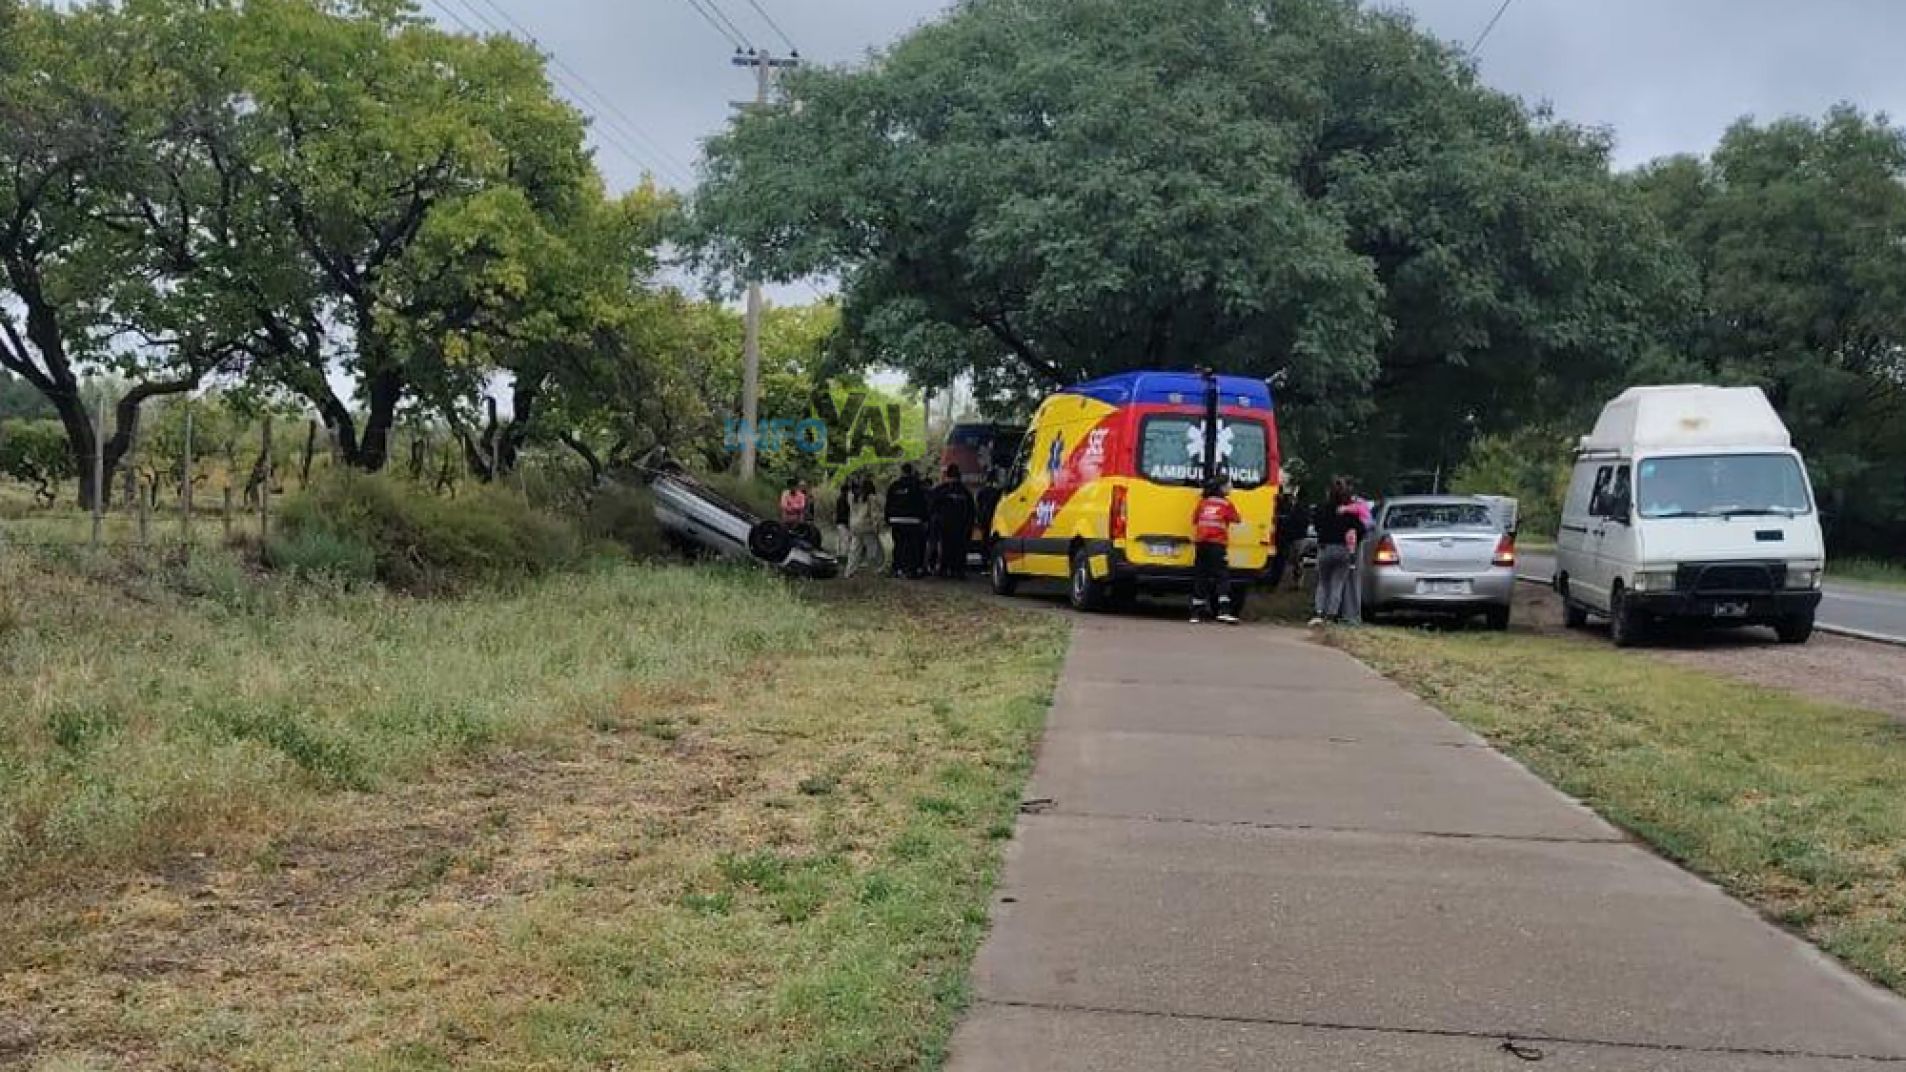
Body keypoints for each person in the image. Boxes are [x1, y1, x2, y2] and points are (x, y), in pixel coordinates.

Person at [1311, 478, 1364, 625]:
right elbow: (1361, 529)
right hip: (1343, 550)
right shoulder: (1349, 511)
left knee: (1322, 582)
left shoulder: (1322, 508)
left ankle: (1318, 612)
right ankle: (1332, 614)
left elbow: (1316, 525)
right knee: (1337, 583)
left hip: (1325, 548)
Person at [1190, 476, 1243, 624]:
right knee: (1222, 576)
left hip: (1201, 543)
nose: (1231, 487)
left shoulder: (1204, 502)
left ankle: (1195, 614)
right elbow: (1237, 519)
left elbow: (1194, 519)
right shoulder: (1226, 504)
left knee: (1201, 576)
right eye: (1229, 485)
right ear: (1222, 488)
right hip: (1216, 545)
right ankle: (1224, 611)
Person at [930, 464, 977, 579]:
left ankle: (944, 569)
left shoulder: (940, 490)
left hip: (944, 525)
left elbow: (932, 508)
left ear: (947, 475)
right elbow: (972, 510)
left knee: (945, 547)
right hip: (961, 525)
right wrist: (970, 525)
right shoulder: (965, 492)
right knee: (960, 548)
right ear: (959, 475)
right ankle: (958, 570)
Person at [885, 463, 929, 578]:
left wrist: (888, 518)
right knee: (912, 546)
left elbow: (888, 503)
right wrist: (925, 519)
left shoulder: (894, 486)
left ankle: (897, 568)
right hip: (913, 520)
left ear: (901, 471)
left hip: (896, 520)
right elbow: (923, 503)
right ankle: (910, 569)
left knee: (898, 545)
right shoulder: (917, 485)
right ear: (912, 471)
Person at [845, 477, 885, 578]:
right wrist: (877, 526)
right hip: (867, 526)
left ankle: (849, 570)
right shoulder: (871, 498)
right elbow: (874, 514)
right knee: (875, 549)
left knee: (854, 550)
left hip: (854, 526)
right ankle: (878, 568)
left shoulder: (852, 497)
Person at [1268, 488, 1302, 589]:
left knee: (1278, 560)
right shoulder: (1288, 507)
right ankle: (1273, 581)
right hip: (1282, 537)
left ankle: (1273, 582)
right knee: (1279, 560)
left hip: (1280, 537)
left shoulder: (1280, 505)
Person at [975, 469, 1004, 560]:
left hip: (984, 519)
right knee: (992, 541)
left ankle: (984, 558)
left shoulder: (981, 492)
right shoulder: (997, 492)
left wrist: (979, 519)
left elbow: (978, 506)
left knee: (984, 539)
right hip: (994, 519)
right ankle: (989, 558)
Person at [833, 480, 854, 556]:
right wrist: (848, 522)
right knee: (845, 540)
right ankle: (844, 555)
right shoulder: (844, 500)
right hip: (843, 522)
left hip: (840, 522)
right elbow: (843, 512)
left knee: (841, 539)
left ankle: (840, 554)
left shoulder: (840, 499)